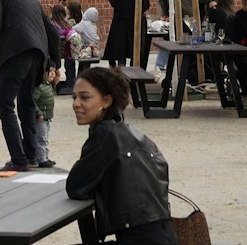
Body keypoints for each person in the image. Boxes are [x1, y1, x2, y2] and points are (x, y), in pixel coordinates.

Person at [66, 65, 178, 245]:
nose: (76, 104)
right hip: (166, 236)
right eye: (74, 97)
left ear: (107, 101)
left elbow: (76, 187)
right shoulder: (133, 133)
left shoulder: (104, 136)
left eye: (85, 97)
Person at [0, 0, 52, 173]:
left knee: (5, 104)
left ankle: (19, 158)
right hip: (37, 55)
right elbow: (50, 32)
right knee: (27, 102)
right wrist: (51, 63)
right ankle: (31, 155)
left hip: (14, 54)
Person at [105, 0, 146, 66]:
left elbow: (112, 0)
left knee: (120, 50)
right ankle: (134, 69)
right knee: (135, 50)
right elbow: (146, 4)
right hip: (135, 22)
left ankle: (120, 70)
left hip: (120, 21)